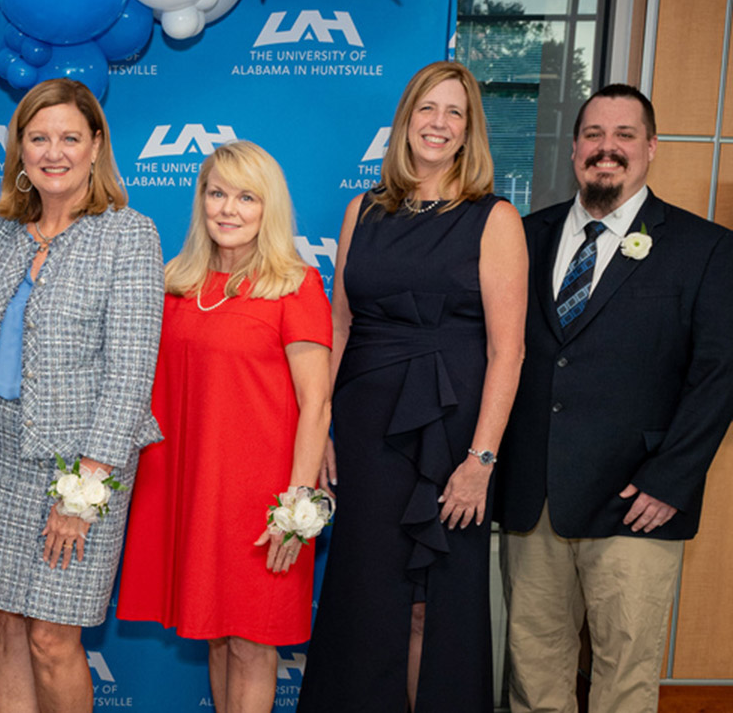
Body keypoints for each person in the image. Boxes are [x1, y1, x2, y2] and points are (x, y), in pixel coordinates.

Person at [495, 84, 733, 713]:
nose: (608, 148)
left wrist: (671, 480)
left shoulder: (706, 248)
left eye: (625, 135)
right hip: (534, 495)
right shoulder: (523, 236)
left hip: (638, 500)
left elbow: (719, 374)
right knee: (533, 670)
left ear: (651, 148)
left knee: (624, 678)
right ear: (575, 149)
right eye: (595, 135)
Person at [298, 60, 527, 712]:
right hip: (368, 435)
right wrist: (317, 437)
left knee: (433, 606)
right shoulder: (361, 212)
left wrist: (480, 461)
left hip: (450, 437)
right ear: (407, 120)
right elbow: (338, 327)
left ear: (469, 131)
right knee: (366, 602)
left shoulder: (495, 219)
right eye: (429, 108)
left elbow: (508, 351)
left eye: (455, 112)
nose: (440, 123)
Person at [0, 77, 163, 712]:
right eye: (38, 137)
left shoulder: (129, 234)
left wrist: (82, 492)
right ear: (20, 149)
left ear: (96, 145)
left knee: (52, 637)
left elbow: (131, 374)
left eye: (70, 137)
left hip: (83, 464)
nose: (54, 152)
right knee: (8, 627)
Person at [118, 141, 332, 713]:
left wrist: (297, 506)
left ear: (270, 209)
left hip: (264, 501)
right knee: (216, 635)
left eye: (246, 197)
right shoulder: (175, 285)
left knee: (253, 644)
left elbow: (317, 404)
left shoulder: (296, 285)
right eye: (217, 194)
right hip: (192, 489)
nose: (228, 209)